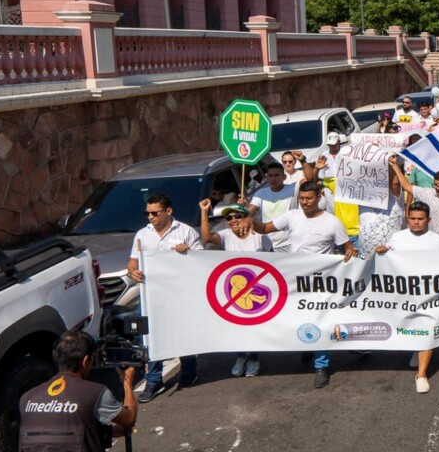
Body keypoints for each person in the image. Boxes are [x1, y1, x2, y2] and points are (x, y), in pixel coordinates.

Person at [246, 182, 357, 388]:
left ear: (319, 197)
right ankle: (308, 344)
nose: (304, 202)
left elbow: (347, 248)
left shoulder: (333, 223)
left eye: (309, 198)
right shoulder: (292, 216)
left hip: (322, 283)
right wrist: (248, 216)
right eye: (302, 198)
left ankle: (321, 365)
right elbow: (263, 228)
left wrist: (351, 252)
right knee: (300, 318)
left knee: (322, 321)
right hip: (295, 281)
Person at [374, 201, 439, 394]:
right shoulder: (397, 238)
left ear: (428, 220)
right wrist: (382, 251)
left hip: (429, 295)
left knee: (427, 329)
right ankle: (416, 348)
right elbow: (387, 261)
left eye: (420, 219)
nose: (415, 222)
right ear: (407, 219)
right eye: (412, 219)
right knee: (409, 326)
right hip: (403, 295)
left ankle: (421, 374)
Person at [127, 193, 202, 403]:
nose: (150, 217)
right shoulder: (142, 234)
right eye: (147, 213)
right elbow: (132, 262)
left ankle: (189, 370)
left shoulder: (186, 231)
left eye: (154, 213)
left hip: (180, 292)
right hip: (152, 293)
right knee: (151, 335)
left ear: (168, 211)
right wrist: (133, 272)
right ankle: (153, 380)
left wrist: (188, 252)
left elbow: (203, 262)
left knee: (182, 330)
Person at [17, 331, 138, 451]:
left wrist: (108, 432)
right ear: (85, 361)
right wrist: (127, 382)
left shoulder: (27, 398)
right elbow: (129, 419)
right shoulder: (95, 393)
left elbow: (58, 430)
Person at [199, 201, 271, 378]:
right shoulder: (225, 235)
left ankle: (254, 358)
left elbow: (272, 262)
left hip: (256, 288)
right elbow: (207, 238)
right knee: (238, 325)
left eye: (237, 216)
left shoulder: (260, 237)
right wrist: (204, 212)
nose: (233, 220)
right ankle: (240, 357)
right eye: (229, 218)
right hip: (235, 290)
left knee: (254, 325)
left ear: (248, 218)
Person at [247, 159, 311, 253]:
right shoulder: (260, 193)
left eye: (277, 175)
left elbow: (310, 179)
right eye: (270, 176)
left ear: (284, 177)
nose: (273, 179)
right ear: (267, 177)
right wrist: (245, 213)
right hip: (269, 245)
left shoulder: (293, 188)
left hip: (291, 243)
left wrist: (303, 161)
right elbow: (251, 210)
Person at [357, 159, 407, 258]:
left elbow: (395, 184)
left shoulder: (395, 197)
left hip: (391, 254)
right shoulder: (362, 195)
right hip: (366, 254)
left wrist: (391, 164)